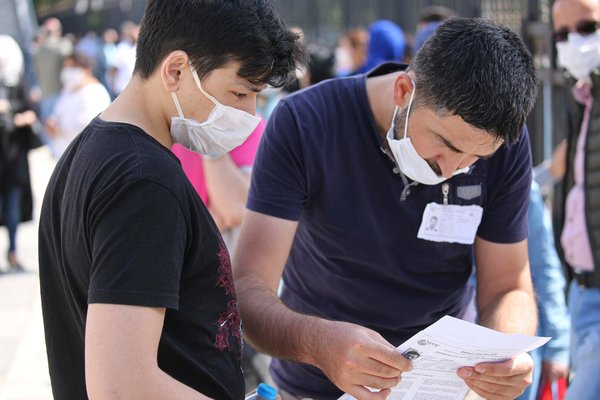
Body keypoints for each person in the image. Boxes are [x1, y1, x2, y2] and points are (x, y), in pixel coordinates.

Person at [233, 17, 538, 400]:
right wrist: (320, 345)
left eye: (476, 158)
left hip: (441, 387)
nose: (451, 170)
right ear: (403, 90)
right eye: (446, 145)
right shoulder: (306, 122)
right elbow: (247, 289)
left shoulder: (504, 142)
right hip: (314, 387)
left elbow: (509, 284)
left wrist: (506, 352)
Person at [38, 1, 305, 399]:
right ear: (176, 70)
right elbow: (121, 386)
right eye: (239, 92)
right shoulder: (144, 183)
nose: (250, 114)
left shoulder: (92, 150)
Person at [551, 0, 600, 398]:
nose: (574, 42)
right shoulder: (583, 98)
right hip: (580, 292)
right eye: (563, 34)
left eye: (588, 27)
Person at [0, 35, 39, 273]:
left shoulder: (17, 83)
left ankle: (13, 252)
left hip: (14, 156)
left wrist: (13, 112)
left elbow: (31, 112)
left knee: (13, 207)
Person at [45, 52, 111, 159]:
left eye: (72, 67)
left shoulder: (95, 91)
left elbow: (88, 125)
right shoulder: (67, 89)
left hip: (85, 157)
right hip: (63, 155)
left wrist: (60, 128)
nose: (68, 71)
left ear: (86, 70)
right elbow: (57, 112)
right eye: (66, 67)